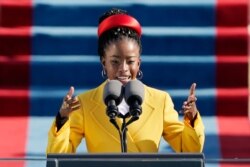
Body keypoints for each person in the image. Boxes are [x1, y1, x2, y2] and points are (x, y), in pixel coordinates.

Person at [46, 8, 205, 153]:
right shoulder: (85, 103)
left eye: (130, 61)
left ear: (139, 63)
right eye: (115, 62)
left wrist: (192, 119)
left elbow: (189, 150)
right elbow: (59, 157)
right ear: (104, 63)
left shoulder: (160, 101)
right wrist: (62, 118)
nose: (123, 68)